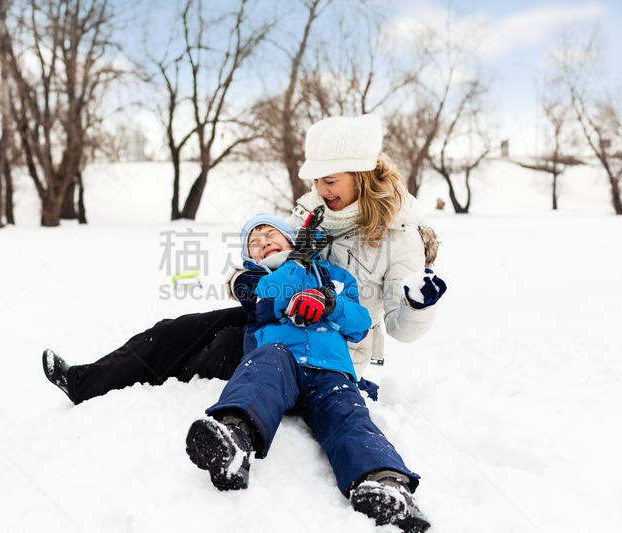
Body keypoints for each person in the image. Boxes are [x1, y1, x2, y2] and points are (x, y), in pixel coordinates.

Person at [43, 113, 445, 405]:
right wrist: (243, 282)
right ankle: (84, 382)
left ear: (361, 174)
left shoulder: (400, 235)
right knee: (176, 330)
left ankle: (164, 389)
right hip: (277, 312)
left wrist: (416, 305)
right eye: (315, 181)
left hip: (331, 344)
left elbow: (400, 330)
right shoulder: (310, 212)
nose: (320, 190)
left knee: (219, 350)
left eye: (330, 180)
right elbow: (265, 256)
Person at [185, 213, 430, 532]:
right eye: (254, 243)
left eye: (270, 235)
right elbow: (264, 302)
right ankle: (234, 438)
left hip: (332, 371)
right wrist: (296, 264)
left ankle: (384, 482)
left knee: (349, 417)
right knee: (261, 370)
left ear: (291, 238)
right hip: (281, 361)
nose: (263, 244)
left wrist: (331, 304)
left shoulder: (336, 277)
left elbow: (359, 325)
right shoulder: (258, 280)